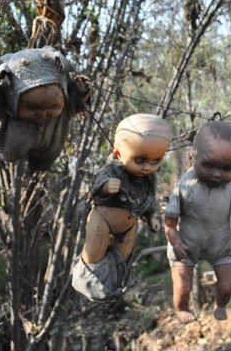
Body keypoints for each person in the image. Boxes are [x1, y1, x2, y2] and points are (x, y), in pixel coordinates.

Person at [71, 113, 172, 301]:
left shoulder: (148, 179)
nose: (147, 167)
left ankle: (112, 286)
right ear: (118, 153)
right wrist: (105, 186)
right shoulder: (112, 170)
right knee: (94, 256)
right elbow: (96, 184)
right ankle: (90, 284)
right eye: (140, 160)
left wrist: (152, 217)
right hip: (103, 220)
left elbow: (148, 199)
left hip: (129, 224)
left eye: (155, 161)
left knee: (121, 259)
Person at [164, 121, 231, 323]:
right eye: (209, 165)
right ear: (192, 157)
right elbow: (170, 224)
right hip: (186, 245)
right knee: (182, 286)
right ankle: (181, 308)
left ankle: (220, 305)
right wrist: (176, 242)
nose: (217, 174)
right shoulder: (185, 186)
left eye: (226, 168)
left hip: (220, 247)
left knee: (227, 286)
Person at [0, 46, 90, 171]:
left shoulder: (63, 110)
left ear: (64, 98)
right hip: (9, 147)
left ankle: (40, 168)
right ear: (13, 100)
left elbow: (76, 105)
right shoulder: (7, 104)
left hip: (51, 148)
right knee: (7, 156)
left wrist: (82, 93)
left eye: (52, 106)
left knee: (45, 162)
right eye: (32, 108)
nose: (43, 114)